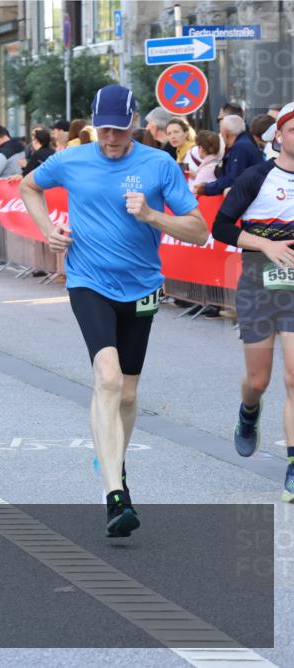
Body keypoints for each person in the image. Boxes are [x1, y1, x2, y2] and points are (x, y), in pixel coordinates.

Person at [19, 85, 208, 537]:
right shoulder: (73, 158)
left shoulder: (158, 164)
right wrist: (49, 231)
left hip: (142, 287)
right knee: (106, 376)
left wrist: (152, 217)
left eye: (119, 130)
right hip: (89, 281)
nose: (110, 139)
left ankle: (113, 463)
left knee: (126, 392)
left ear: (135, 123)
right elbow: (29, 187)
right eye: (103, 129)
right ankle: (114, 494)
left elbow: (199, 230)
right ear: (92, 124)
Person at [209, 101, 294, 503]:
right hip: (258, 284)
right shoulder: (255, 177)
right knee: (258, 380)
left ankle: (293, 467)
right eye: (292, 129)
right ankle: (248, 411)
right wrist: (266, 244)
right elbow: (221, 226)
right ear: (278, 135)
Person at [195, 115, 263, 196]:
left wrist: (207, 188)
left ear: (227, 134)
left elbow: (233, 179)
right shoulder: (246, 142)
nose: (221, 137)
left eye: (222, 134)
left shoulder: (240, 147)